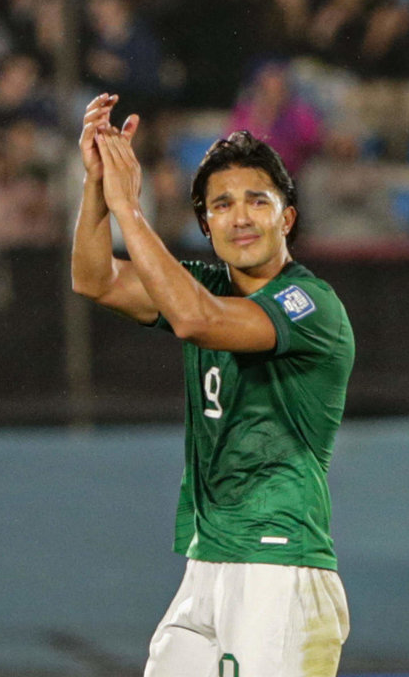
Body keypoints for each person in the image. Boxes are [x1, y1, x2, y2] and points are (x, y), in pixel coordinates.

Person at [71, 94, 354, 677]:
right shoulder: (200, 283)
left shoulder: (310, 304)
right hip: (210, 559)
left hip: (280, 561)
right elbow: (94, 278)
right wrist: (98, 188)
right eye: (222, 205)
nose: (241, 216)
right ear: (205, 224)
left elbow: (197, 321)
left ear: (288, 217)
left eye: (258, 200)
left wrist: (131, 210)